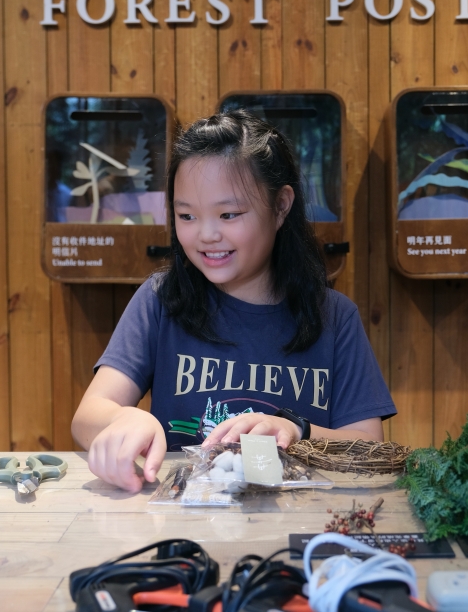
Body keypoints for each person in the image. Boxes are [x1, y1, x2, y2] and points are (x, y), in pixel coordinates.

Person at [72, 111, 396, 491]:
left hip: (298, 523)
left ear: (280, 207)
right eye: (186, 215)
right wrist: (126, 420)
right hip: (184, 520)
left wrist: (296, 429)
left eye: (228, 214)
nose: (206, 234)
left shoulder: (335, 316)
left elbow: (368, 446)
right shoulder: (161, 299)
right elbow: (88, 416)